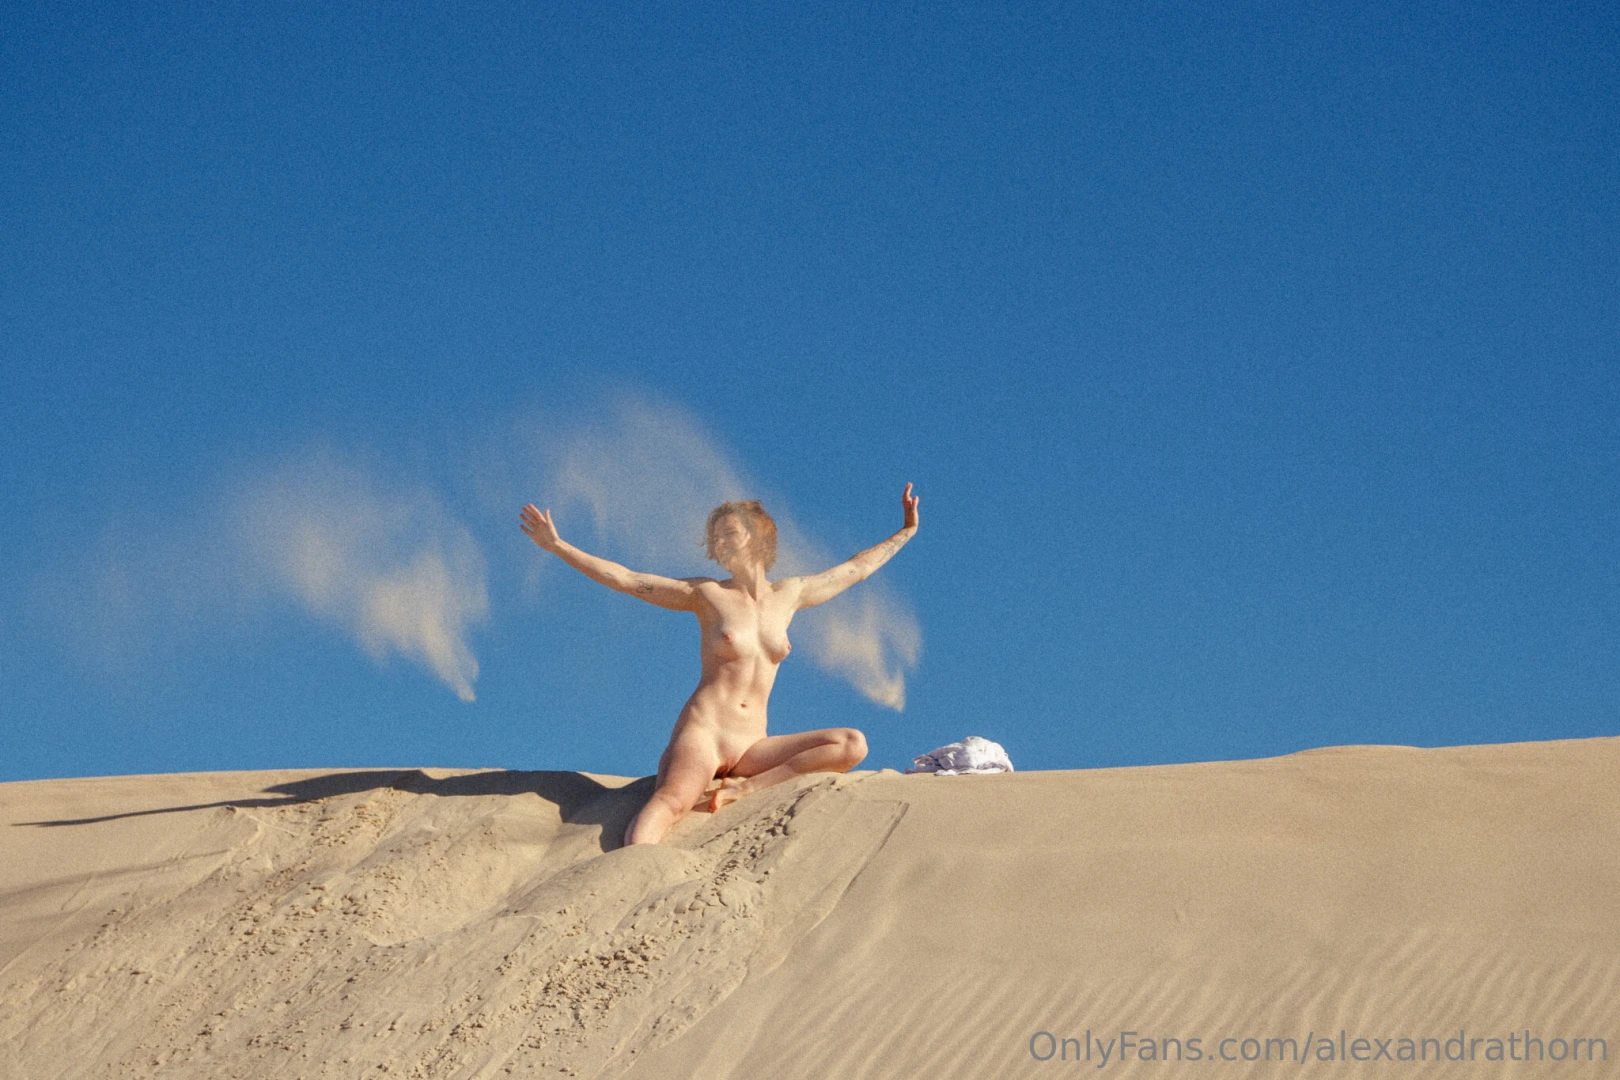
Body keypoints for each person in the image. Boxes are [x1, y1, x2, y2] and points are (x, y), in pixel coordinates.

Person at [519, 484, 919, 845]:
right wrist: (557, 546)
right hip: (705, 733)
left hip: (753, 747)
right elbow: (627, 579)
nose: (720, 543)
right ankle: (630, 870)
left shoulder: (791, 594)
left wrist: (905, 533)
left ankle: (745, 789)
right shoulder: (705, 593)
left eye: (729, 532)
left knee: (850, 744)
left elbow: (855, 569)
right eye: (716, 537)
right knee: (672, 804)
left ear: (758, 536)